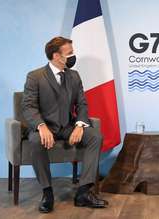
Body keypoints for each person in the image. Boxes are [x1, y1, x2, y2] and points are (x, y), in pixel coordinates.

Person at [22, 36, 108, 213]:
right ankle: (47, 193)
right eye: (70, 53)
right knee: (36, 141)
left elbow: (82, 104)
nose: (73, 56)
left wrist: (79, 125)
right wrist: (41, 126)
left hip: (68, 127)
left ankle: (83, 192)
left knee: (95, 137)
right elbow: (28, 106)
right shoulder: (35, 76)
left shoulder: (74, 76)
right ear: (56, 56)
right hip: (44, 128)